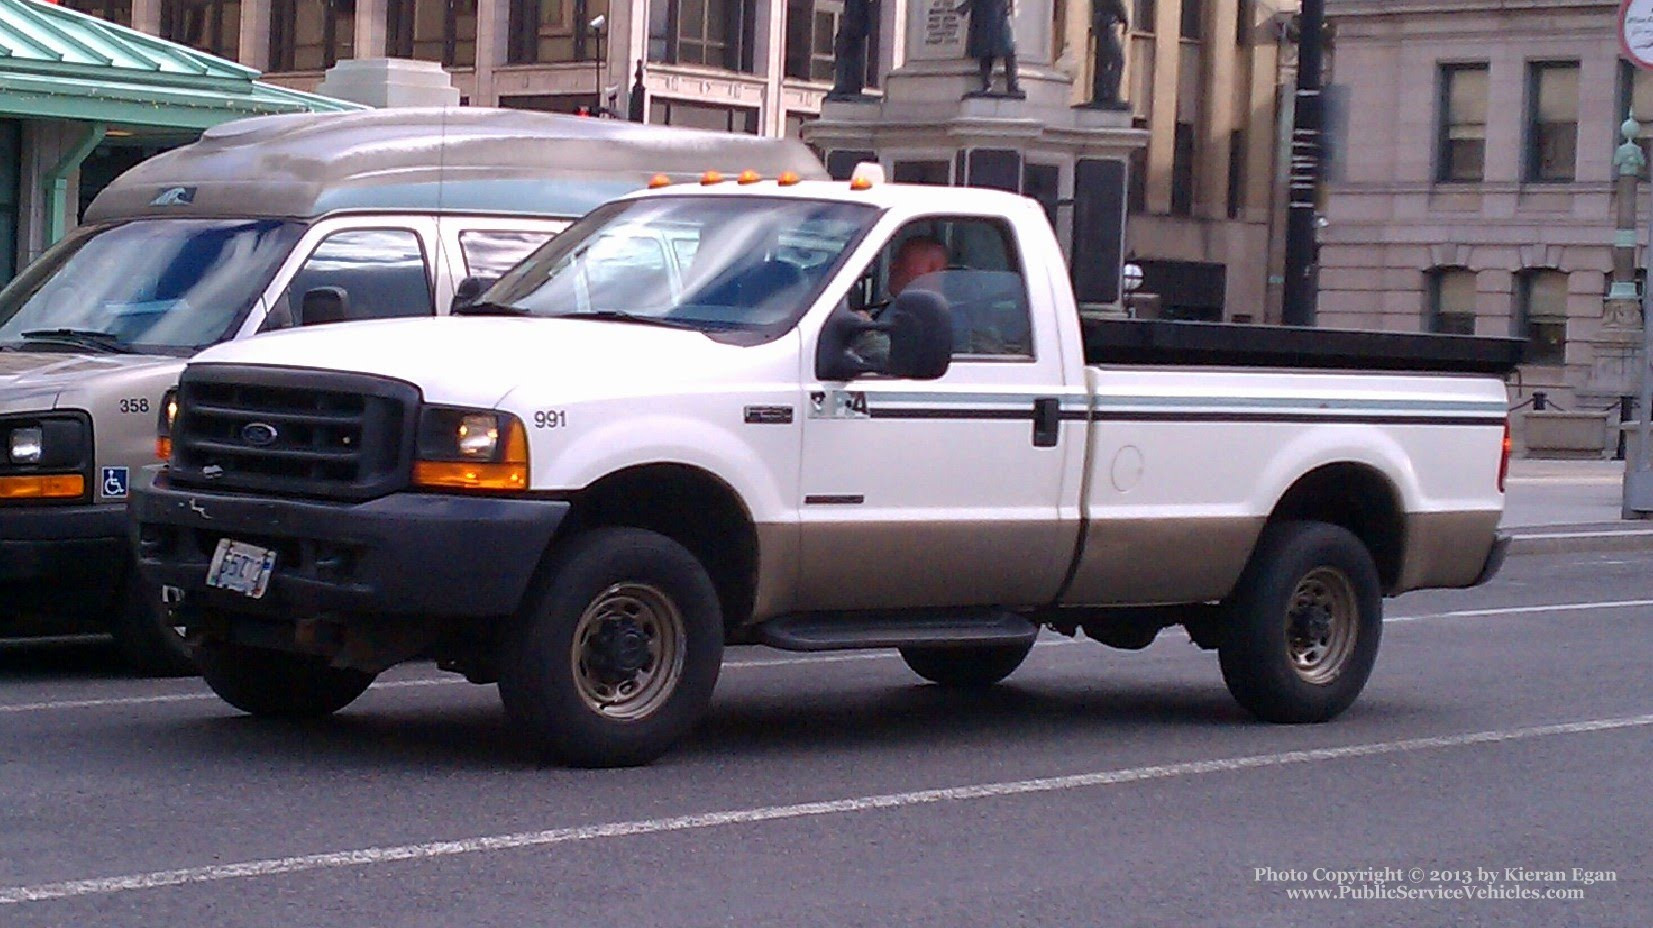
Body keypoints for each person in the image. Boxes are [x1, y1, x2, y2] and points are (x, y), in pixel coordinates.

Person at [955, 0, 1021, 97]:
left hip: (996, 15)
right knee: (988, 51)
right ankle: (992, 84)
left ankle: (1009, 85)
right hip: (989, 16)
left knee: (1005, 50)